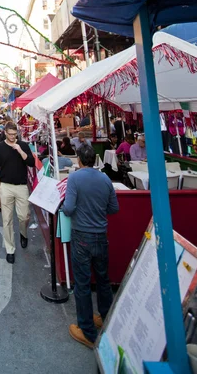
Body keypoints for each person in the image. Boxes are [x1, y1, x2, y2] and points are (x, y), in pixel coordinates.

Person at [63, 144, 119, 348]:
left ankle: (87, 330)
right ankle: (105, 317)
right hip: (100, 236)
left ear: (79, 159)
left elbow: (68, 208)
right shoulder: (105, 179)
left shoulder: (74, 178)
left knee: (83, 283)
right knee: (103, 280)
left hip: (82, 236)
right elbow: (114, 208)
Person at [0, 122, 35, 264]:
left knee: (24, 216)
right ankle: (10, 249)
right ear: (5, 133)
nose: (12, 137)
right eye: (10, 134)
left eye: (14, 134)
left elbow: (31, 163)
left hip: (21, 186)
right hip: (5, 186)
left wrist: (20, 151)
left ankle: (23, 232)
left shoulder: (23, 145)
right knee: (7, 219)